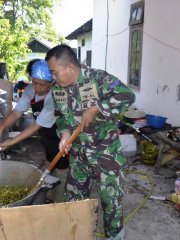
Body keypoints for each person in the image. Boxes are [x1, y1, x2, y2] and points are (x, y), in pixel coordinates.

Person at [44, 44, 135, 240]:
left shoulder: (99, 79)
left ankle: (114, 237)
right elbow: (60, 116)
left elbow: (127, 95)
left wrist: (97, 108)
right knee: (74, 201)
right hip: (78, 156)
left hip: (105, 154)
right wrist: (65, 134)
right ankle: (78, 234)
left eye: (54, 72)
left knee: (111, 202)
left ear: (69, 67)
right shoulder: (56, 89)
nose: (53, 77)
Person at [0, 59, 69, 199]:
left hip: (60, 135)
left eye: (42, 84)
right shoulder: (31, 89)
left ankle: (60, 199)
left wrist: (11, 142)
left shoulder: (55, 96)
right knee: (50, 160)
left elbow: (37, 125)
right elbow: (17, 112)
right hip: (46, 135)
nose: (37, 87)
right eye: (34, 82)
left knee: (62, 166)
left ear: (51, 83)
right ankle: (50, 194)